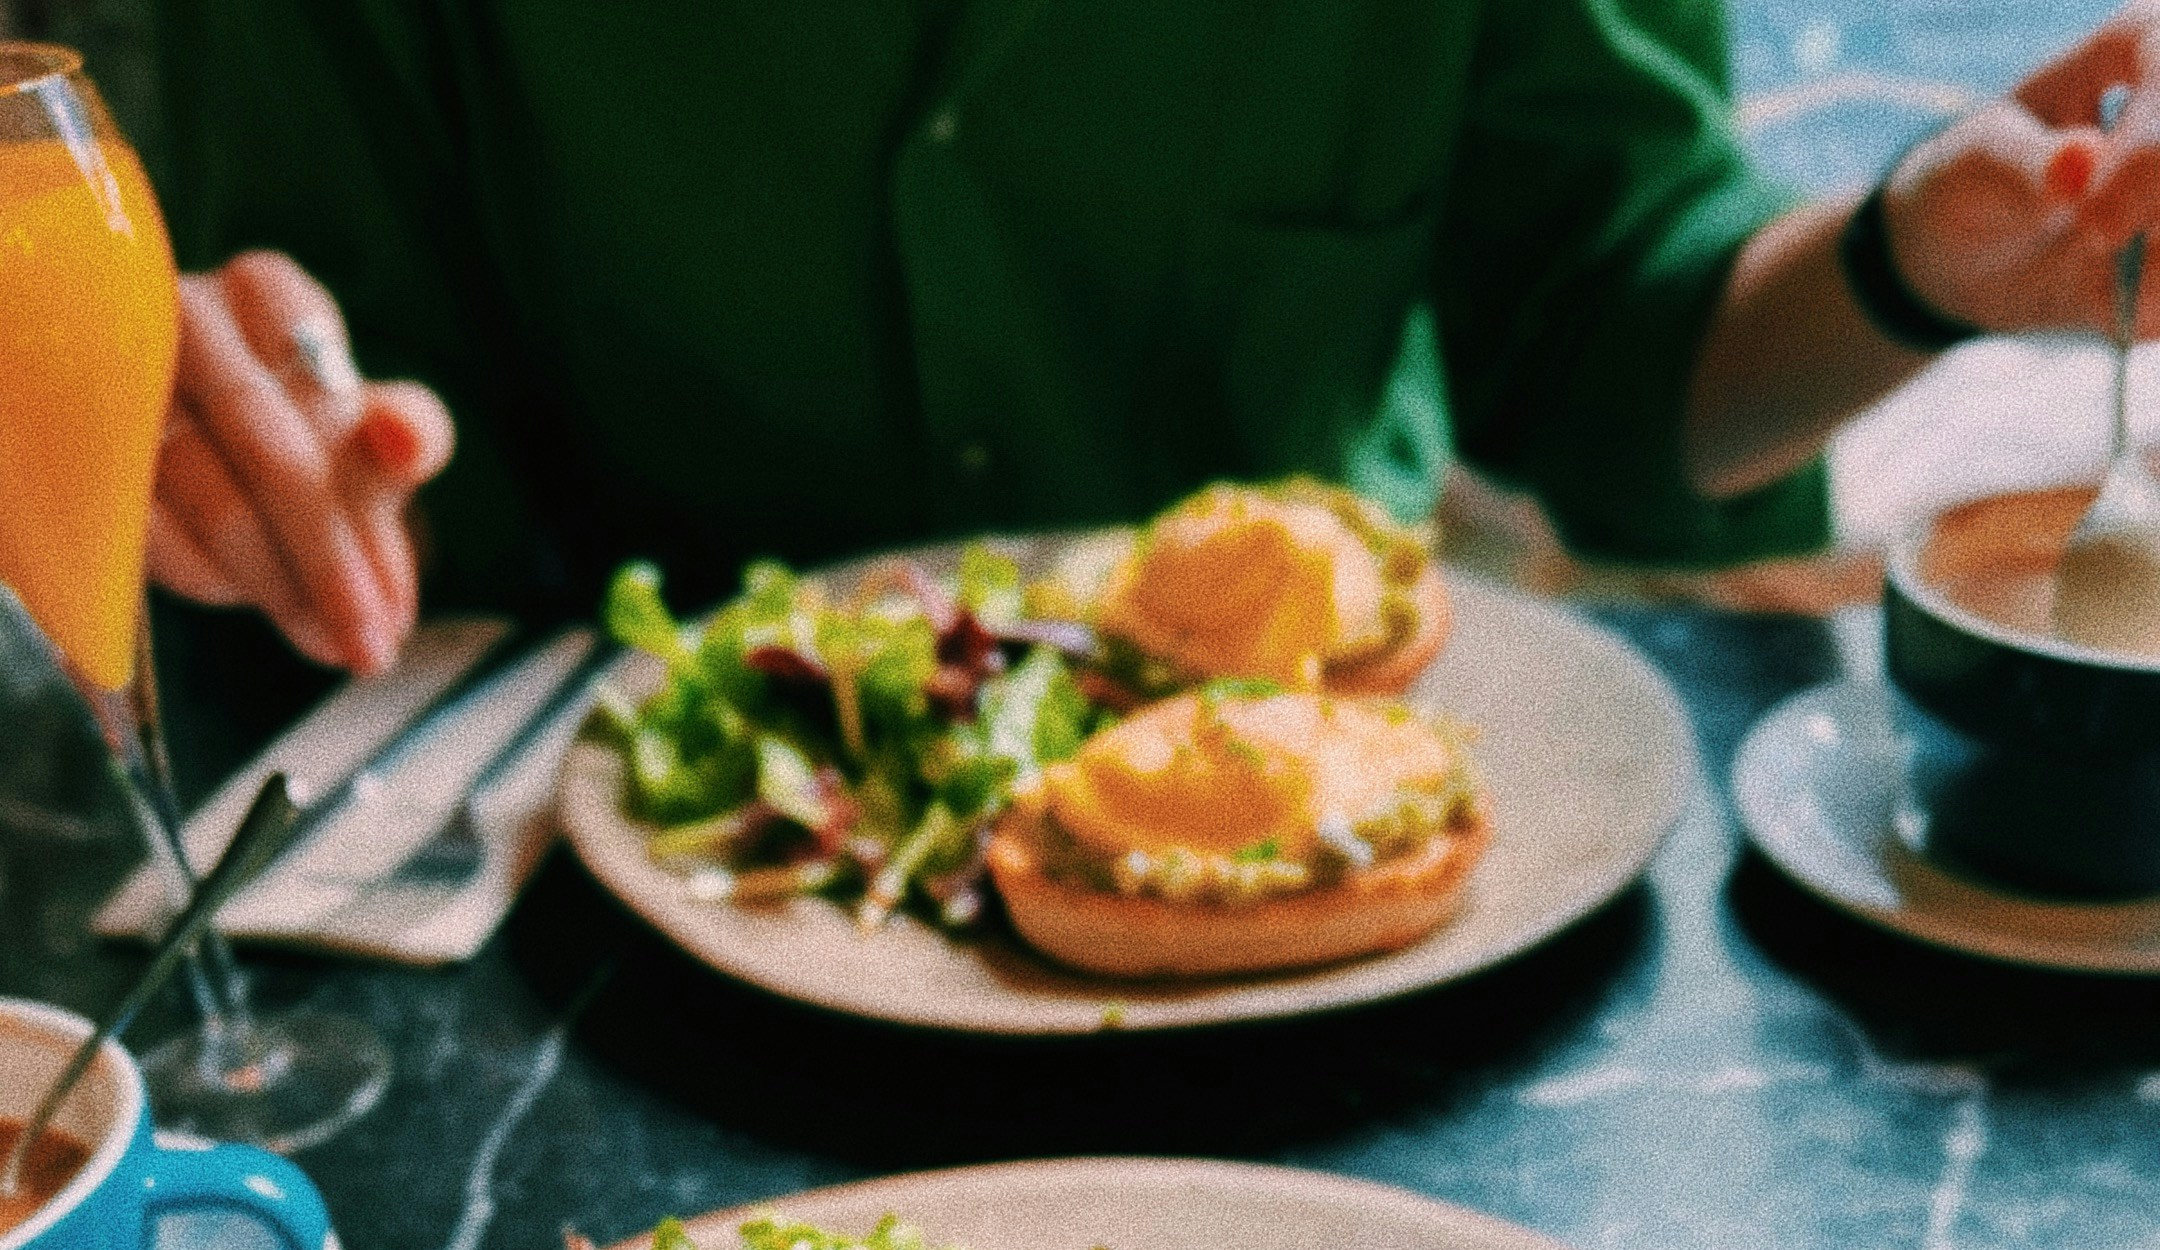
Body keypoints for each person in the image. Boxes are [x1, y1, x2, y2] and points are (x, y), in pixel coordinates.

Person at [143, 0, 2160, 678]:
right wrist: (196, 424)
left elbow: (1616, 361)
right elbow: (292, 412)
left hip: (1362, 877)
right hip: (633, 903)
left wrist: (1913, 264)